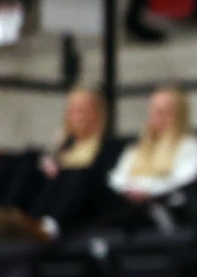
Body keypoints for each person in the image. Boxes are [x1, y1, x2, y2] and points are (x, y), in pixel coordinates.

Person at [0, 85, 118, 236]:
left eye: (85, 109)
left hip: (89, 207)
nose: (79, 116)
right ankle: (8, 218)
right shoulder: (65, 147)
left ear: (98, 113)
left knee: (76, 175)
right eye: (74, 110)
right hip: (57, 196)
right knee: (22, 168)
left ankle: (45, 228)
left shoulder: (109, 147)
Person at [106, 86, 197, 218]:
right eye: (155, 111)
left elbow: (182, 181)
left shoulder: (191, 147)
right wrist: (130, 191)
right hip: (132, 207)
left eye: (166, 111)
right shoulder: (137, 148)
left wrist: (146, 190)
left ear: (180, 114)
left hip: (171, 212)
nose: (159, 116)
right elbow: (118, 178)